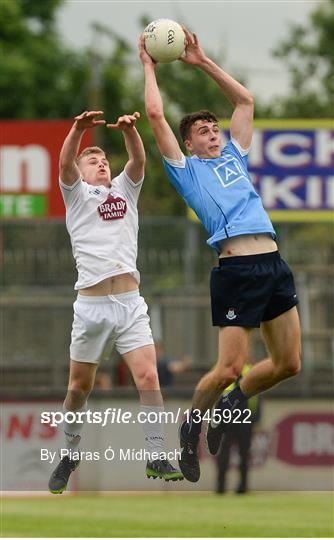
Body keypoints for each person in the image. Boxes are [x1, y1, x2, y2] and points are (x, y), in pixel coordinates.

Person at [139, 28, 301, 483]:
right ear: (188, 144)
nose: (211, 133)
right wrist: (149, 65)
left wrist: (202, 62)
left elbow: (245, 103)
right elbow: (155, 113)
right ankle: (192, 424)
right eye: (201, 131)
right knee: (229, 367)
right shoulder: (187, 171)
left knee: (289, 364)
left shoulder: (236, 156)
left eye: (213, 127)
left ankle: (231, 405)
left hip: (273, 263)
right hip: (236, 269)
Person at [48, 110, 183, 494]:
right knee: (78, 389)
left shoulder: (125, 189)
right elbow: (63, 162)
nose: (101, 163)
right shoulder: (75, 194)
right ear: (80, 171)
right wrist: (77, 129)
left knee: (149, 376)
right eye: (93, 160)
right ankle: (70, 452)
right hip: (90, 309)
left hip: (129, 303)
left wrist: (130, 133)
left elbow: (138, 161)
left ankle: (156, 453)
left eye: (104, 159)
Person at [216, 362, 261, 495]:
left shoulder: (251, 370)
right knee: (224, 455)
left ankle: (243, 487)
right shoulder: (223, 368)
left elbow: (257, 396)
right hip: (227, 419)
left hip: (245, 419)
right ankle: (221, 487)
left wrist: (256, 418)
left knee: (244, 455)